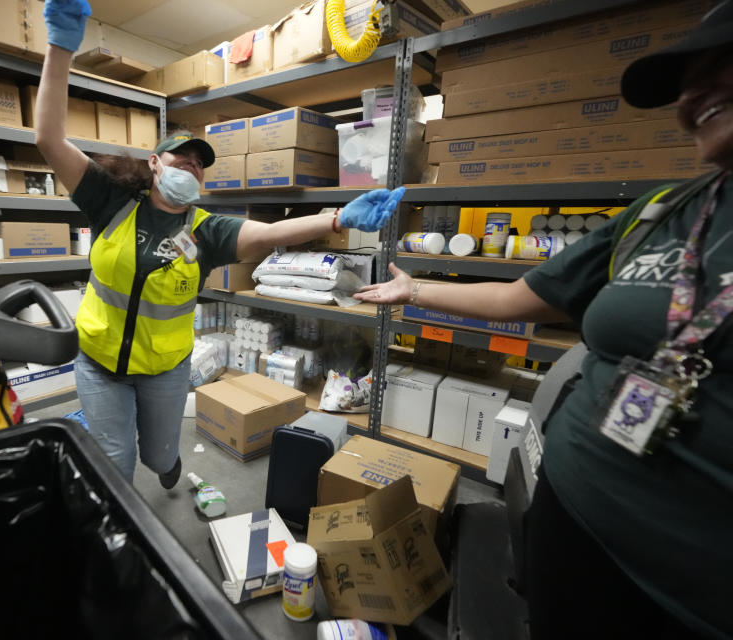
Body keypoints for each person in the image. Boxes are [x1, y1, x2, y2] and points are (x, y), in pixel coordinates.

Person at [355, 4, 733, 638]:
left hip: (694, 589)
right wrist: (414, 287)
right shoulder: (666, 212)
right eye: (687, 81)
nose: (693, 96)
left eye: (720, 67)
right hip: (576, 511)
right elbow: (518, 298)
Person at [36, 0, 406, 485]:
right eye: (180, 159)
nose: (190, 167)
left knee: (158, 455)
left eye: (198, 164)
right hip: (99, 364)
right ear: (153, 163)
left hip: (164, 371)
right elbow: (48, 138)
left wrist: (337, 217)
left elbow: (273, 234)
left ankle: (168, 464)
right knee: (114, 460)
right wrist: (61, 47)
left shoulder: (205, 231)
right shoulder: (111, 203)